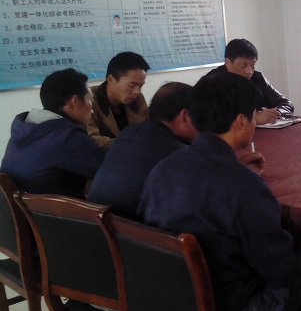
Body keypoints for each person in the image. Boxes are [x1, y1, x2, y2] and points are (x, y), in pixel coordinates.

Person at [137, 73, 301, 311]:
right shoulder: (242, 185)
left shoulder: (162, 169)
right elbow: (280, 270)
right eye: (253, 114)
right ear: (241, 121)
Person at [87, 82, 199, 218]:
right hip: (132, 228)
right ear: (185, 116)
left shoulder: (127, 135)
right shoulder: (178, 154)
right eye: (200, 118)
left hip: (97, 223)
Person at [1, 68, 104, 198]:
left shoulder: (23, 128)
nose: (92, 110)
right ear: (75, 101)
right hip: (63, 210)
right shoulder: (67, 136)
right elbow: (111, 172)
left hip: (18, 209)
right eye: (90, 101)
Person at [206, 38, 293, 125]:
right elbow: (210, 118)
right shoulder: (211, 83)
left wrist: (275, 114)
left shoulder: (257, 78)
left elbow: (286, 103)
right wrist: (252, 119)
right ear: (228, 63)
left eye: (252, 65)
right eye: (244, 65)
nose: (249, 71)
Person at [88, 51, 150, 148]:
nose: (137, 91)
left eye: (140, 86)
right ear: (110, 79)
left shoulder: (138, 99)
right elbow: (90, 140)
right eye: (132, 85)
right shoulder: (88, 100)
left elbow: (149, 127)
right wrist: (130, 144)